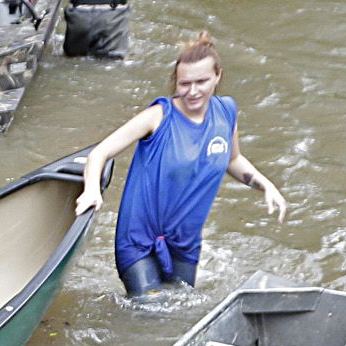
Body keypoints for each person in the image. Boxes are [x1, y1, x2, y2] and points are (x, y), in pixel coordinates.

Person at [75, 34, 287, 297]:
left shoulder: (226, 112)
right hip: (139, 241)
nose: (193, 91)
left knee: (180, 312)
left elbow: (232, 159)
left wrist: (265, 185)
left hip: (185, 243)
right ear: (176, 82)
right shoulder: (158, 117)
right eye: (185, 83)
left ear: (218, 76)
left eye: (202, 82)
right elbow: (100, 153)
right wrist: (92, 190)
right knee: (149, 312)